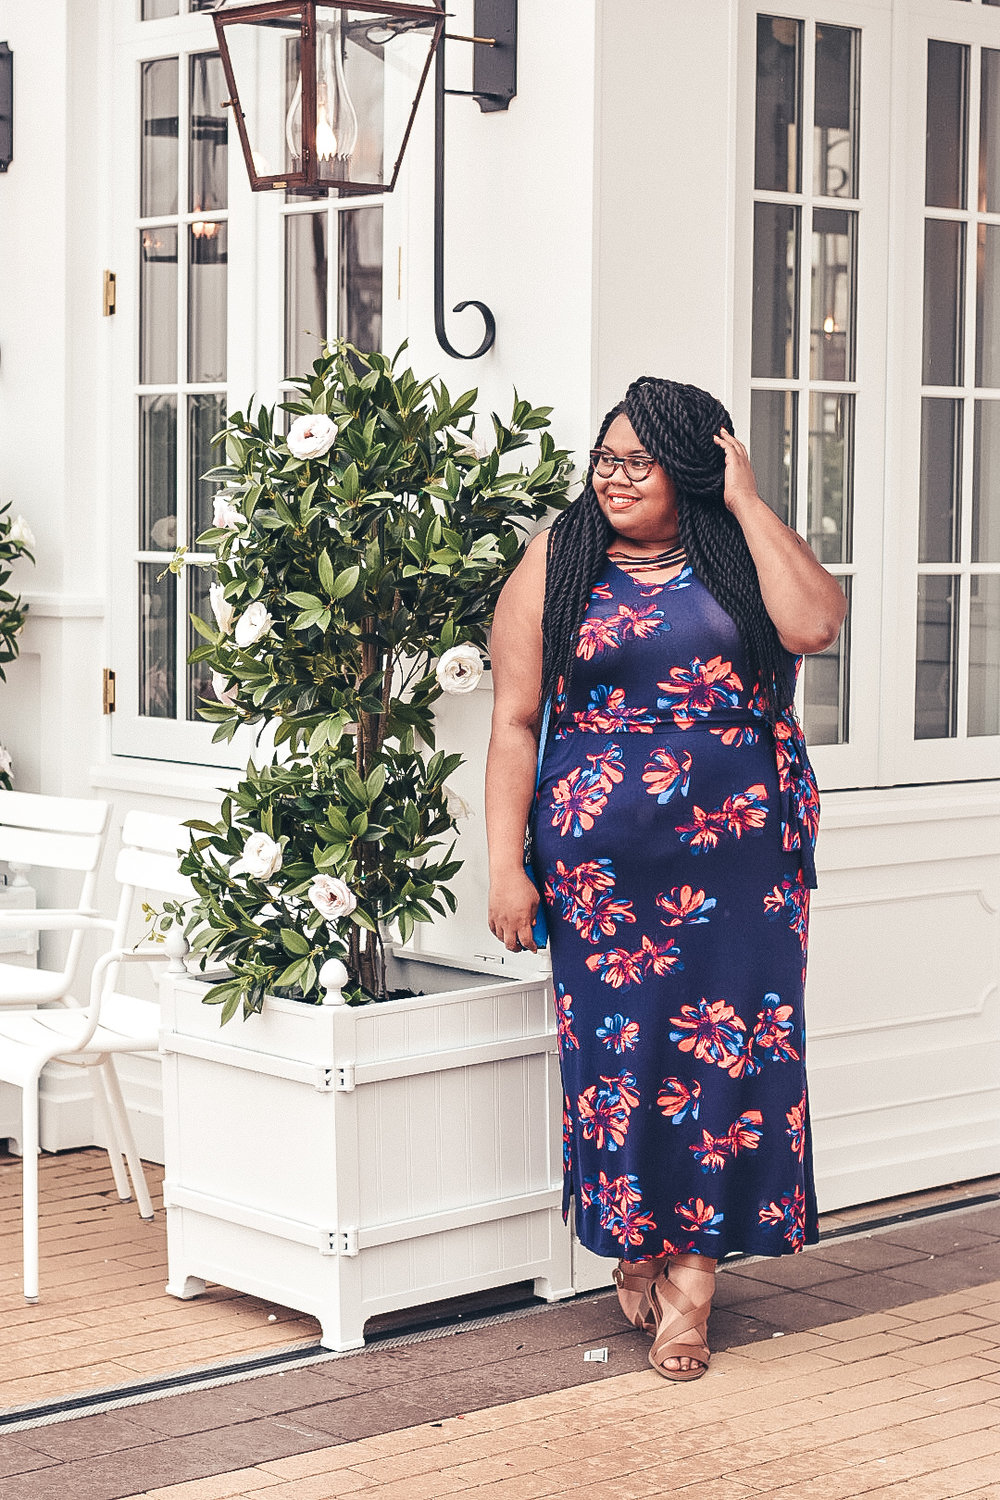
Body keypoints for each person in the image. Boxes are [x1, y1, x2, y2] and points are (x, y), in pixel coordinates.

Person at [485, 377, 847, 1381]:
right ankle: (636, 1243)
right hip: (603, 875)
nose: (612, 479)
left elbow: (816, 625)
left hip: (742, 867)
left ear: (687, 467)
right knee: (622, 1068)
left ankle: (692, 1285)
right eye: (603, 460)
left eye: (636, 463)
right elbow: (514, 719)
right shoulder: (559, 559)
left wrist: (742, 496)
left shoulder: (735, 553)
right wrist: (505, 864)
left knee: (733, 1059)